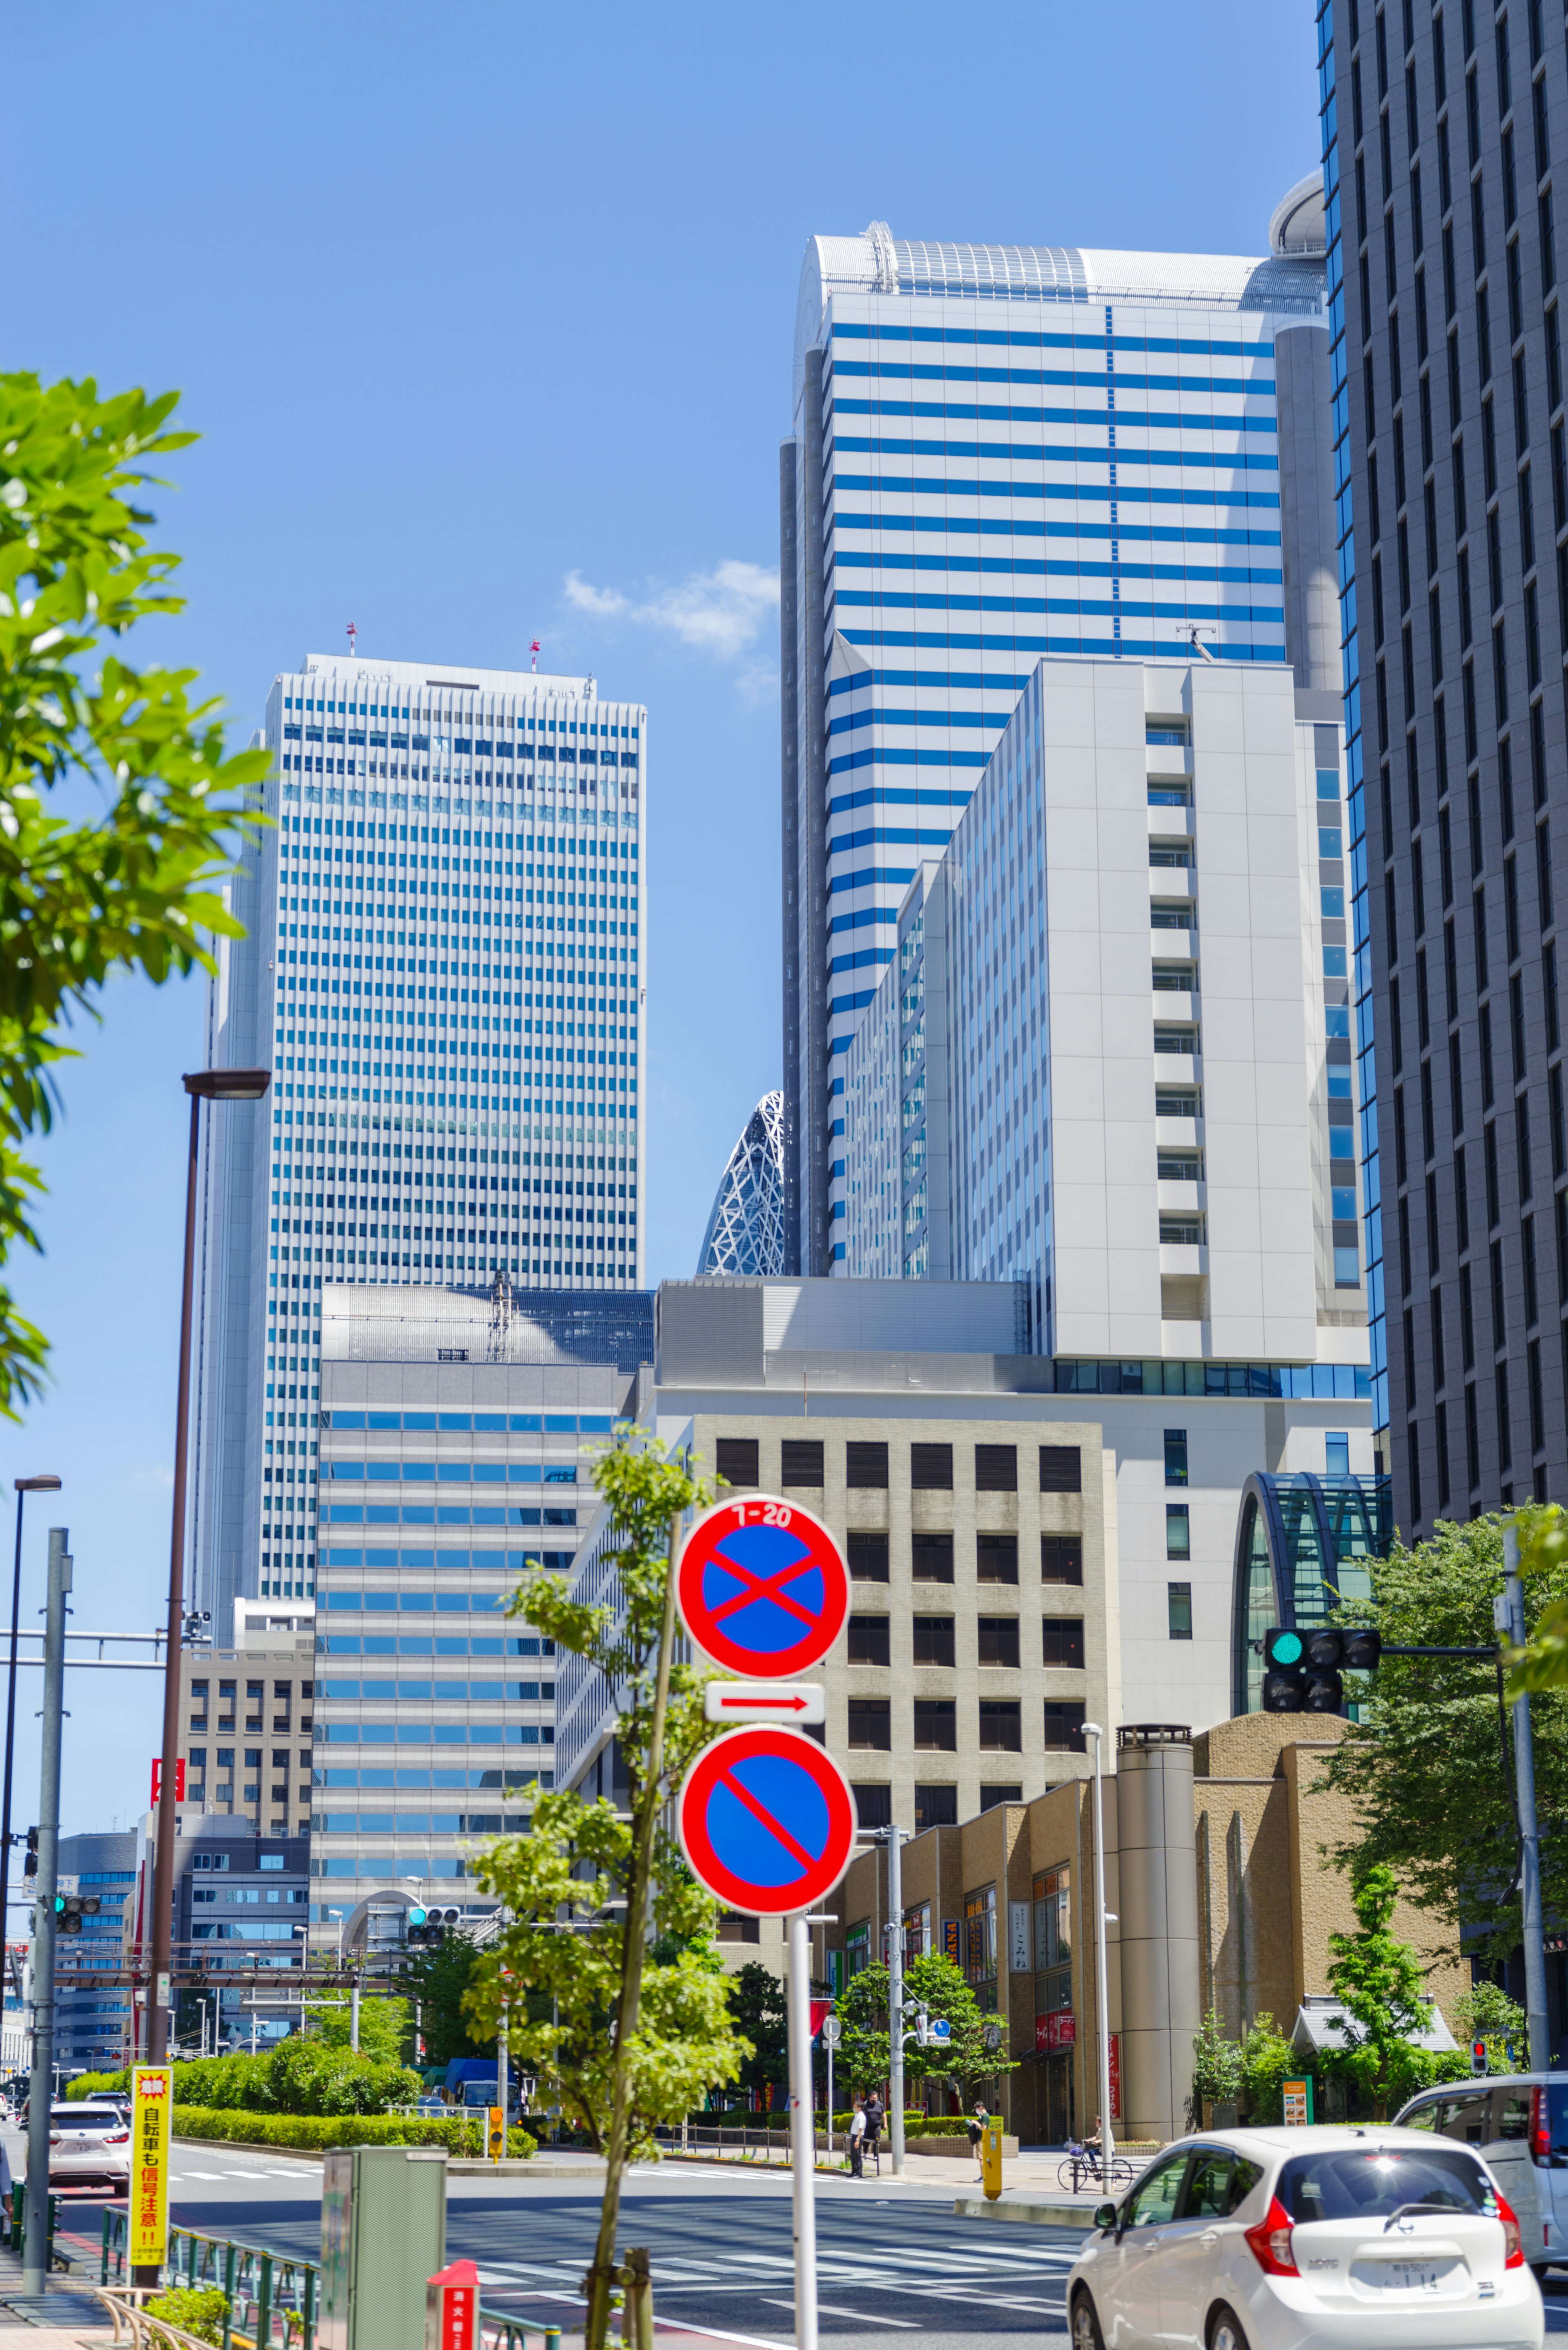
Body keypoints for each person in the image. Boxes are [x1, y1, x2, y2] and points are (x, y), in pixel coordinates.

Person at [863, 2090, 884, 2174]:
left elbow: (884, 2114)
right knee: (866, 2141)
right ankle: (865, 2152)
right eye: (872, 2098)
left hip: (877, 2126)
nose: (874, 2100)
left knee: (876, 2141)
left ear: (877, 2098)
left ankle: (876, 2156)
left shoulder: (880, 2105)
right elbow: (862, 2113)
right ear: (869, 2098)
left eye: (875, 2098)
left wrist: (885, 2124)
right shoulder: (866, 2104)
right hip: (868, 2126)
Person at [968, 2098, 989, 2181]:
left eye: (977, 2109)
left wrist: (976, 2123)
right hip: (981, 2139)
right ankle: (983, 2176)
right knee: (981, 2158)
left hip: (982, 2139)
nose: (977, 2111)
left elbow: (984, 2128)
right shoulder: (982, 2117)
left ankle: (983, 2176)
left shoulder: (985, 2116)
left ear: (981, 2107)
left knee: (981, 2158)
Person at [848, 2094, 866, 2179]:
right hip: (854, 2136)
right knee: (853, 2156)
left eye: (855, 2107)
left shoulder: (861, 2117)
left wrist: (858, 2140)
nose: (854, 2108)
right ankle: (854, 2172)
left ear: (860, 2108)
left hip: (858, 2137)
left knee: (858, 2156)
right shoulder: (857, 2115)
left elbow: (861, 2129)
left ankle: (860, 2173)